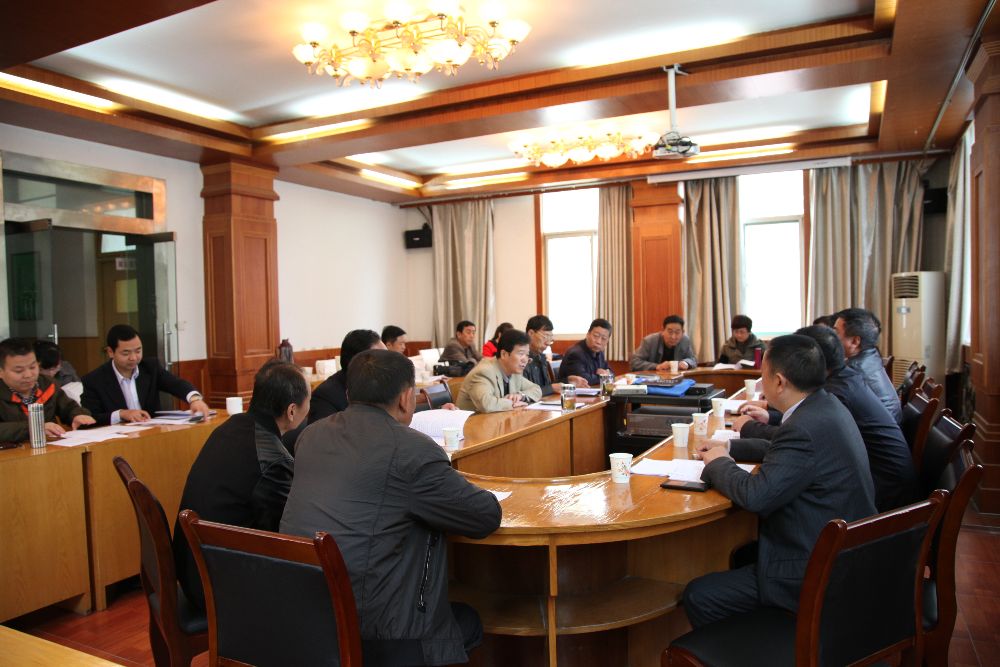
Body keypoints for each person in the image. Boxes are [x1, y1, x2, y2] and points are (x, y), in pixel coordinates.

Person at [280, 349, 501, 666]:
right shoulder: (412, 449)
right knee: (469, 620)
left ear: (349, 394)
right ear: (407, 398)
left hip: (307, 612)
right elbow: (484, 516)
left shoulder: (310, 435)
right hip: (380, 633)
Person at [683, 334, 875, 628]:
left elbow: (755, 496)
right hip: (845, 547)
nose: (761, 383)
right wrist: (729, 447)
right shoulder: (825, 406)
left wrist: (718, 462)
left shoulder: (803, 428)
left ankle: (774, 644)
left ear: (780, 382)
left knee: (699, 595)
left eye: (763, 375)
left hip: (816, 569)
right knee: (743, 553)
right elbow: (781, 449)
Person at [736, 325, 918, 512]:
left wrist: (730, 449)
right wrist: (731, 445)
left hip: (881, 493)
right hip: (867, 487)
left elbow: (758, 494)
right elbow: (797, 441)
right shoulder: (835, 391)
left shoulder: (838, 394)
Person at [173, 360, 309, 610]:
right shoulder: (274, 459)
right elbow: (286, 528)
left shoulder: (229, 427)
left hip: (191, 566)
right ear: (292, 411)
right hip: (217, 584)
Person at [81, 324, 210, 425]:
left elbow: (176, 384)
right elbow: (91, 417)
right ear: (110, 352)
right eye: (126, 353)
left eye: (138, 351)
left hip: (151, 434)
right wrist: (121, 414)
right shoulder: (94, 380)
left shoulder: (150, 367)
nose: (133, 358)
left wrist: (194, 399)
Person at [282, 329, 385, 451]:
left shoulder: (382, 387)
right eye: (382, 360)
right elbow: (325, 446)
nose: (387, 366)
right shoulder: (325, 396)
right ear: (358, 364)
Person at [0, 337, 95, 441]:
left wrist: (78, 415)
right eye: (19, 371)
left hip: (50, 446)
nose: (28, 375)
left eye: (32, 367)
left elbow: (69, 407)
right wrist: (34, 427)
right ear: (1, 371)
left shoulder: (48, 384)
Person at [834, 308, 902, 423]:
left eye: (836, 333)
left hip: (875, 432)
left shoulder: (853, 371)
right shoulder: (872, 356)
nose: (831, 338)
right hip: (888, 426)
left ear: (855, 341)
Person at [456, 329, 542, 412]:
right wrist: (513, 403)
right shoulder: (484, 372)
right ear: (504, 354)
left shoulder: (514, 371)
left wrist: (521, 396)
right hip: (472, 421)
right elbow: (486, 404)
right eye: (521, 353)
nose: (525, 359)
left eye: (527, 355)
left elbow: (536, 389)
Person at [522, 315, 588, 395]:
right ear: (531, 333)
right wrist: (552, 388)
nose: (548, 342)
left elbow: (546, 386)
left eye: (550, 338)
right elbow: (524, 392)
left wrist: (567, 381)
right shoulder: (521, 359)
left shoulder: (541, 357)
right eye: (545, 336)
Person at [630, 315, 697, 371]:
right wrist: (657, 366)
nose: (673, 337)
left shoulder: (685, 341)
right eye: (670, 332)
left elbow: (693, 359)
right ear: (662, 330)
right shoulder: (650, 341)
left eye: (677, 332)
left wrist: (686, 363)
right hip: (652, 378)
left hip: (676, 379)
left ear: (683, 332)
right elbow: (634, 362)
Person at [558, 318, 613, 385]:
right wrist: (604, 377)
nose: (598, 341)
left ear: (607, 341)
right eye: (596, 336)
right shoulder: (575, 354)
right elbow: (584, 380)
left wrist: (607, 373)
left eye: (603, 338)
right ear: (588, 334)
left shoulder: (600, 352)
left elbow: (610, 372)